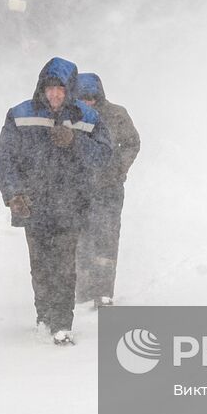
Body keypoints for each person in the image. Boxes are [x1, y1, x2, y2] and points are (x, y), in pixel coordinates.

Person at [0, 57, 112, 345]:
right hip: (33, 205)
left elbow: (104, 156)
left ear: (69, 89)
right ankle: (44, 317)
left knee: (64, 266)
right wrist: (13, 194)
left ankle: (61, 324)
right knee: (41, 266)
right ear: (41, 89)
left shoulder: (88, 118)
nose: (55, 94)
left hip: (71, 205)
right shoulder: (20, 114)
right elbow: (3, 156)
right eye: (50, 88)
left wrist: (75, 141)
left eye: (60, 88)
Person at [74, 72, 140, 307]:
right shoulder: (69, 117)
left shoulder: (116, 114)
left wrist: (118, 168)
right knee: (80, 239)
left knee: (106, 239)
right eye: (83, 97)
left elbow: (132, 143)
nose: (88, 102)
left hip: (109, 188)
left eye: (92, 97)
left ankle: (103, 292)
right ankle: (81, 290)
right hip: (77, 189)